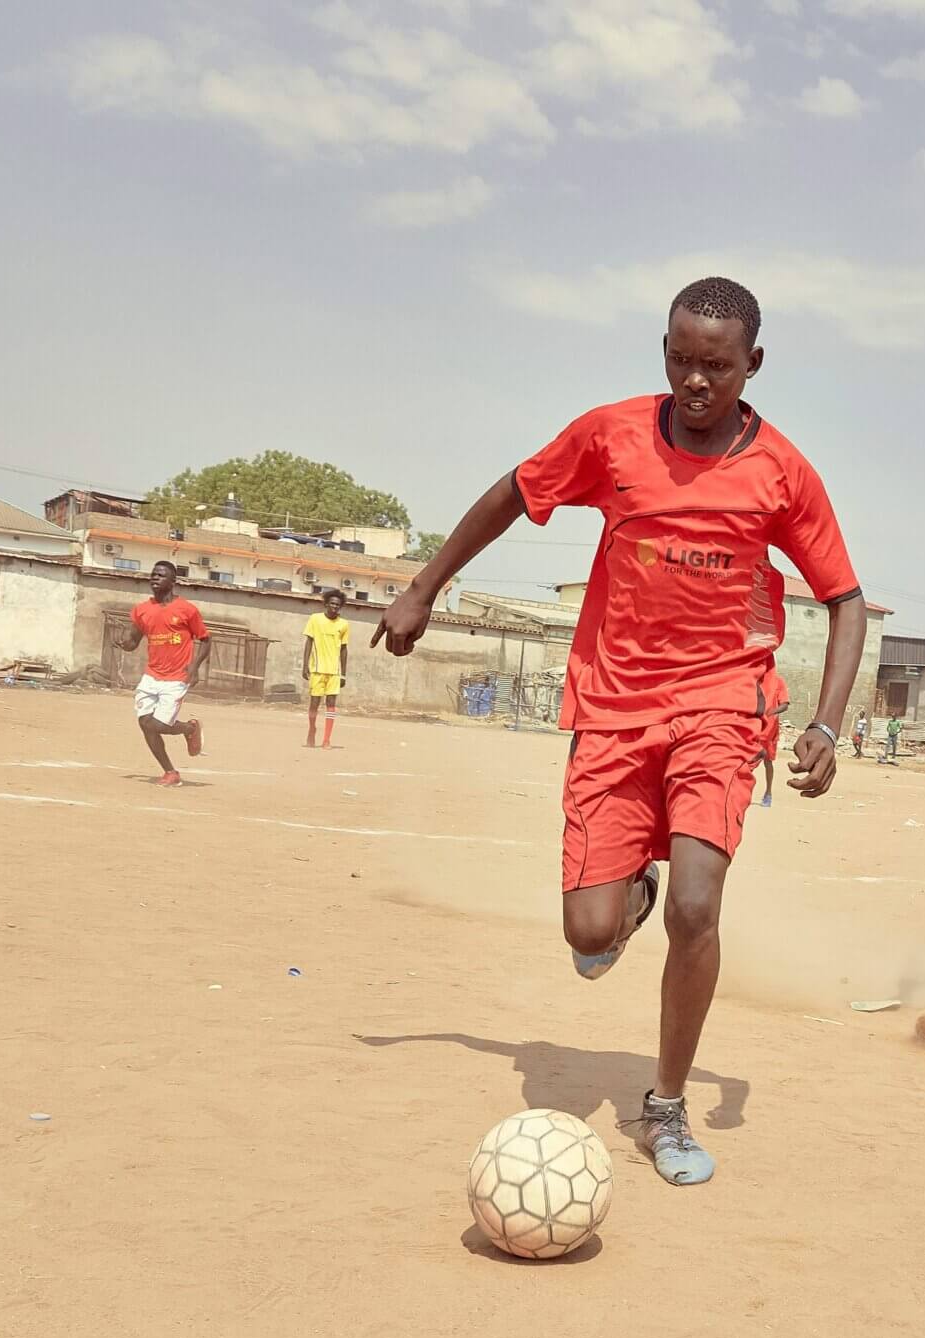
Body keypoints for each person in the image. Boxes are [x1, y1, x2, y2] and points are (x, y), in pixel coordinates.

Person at [371, 276, 867, 1186]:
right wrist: (423, 586)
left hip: (721, 705)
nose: (695, 382)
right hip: (612, 707)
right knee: (589, 939)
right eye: (679, 360)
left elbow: (845, 600)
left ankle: (666, 1104)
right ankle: (623, 899)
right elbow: (514, 493)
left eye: (716, 366)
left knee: (698, 905)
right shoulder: (610, 436)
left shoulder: (783, 472)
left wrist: (828, 723)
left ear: (752, 366)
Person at [117, 561, 208, 785]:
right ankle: (170, 772)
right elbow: (133, 642)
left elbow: (205, 640)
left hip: (177, 677)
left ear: (173, 581)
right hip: (151, 675)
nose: (155, 578)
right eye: (153, 574)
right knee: (144, 722)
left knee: (161, 725)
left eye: (161, 575)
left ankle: (189, 728)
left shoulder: (187, 609)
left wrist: (194, 667)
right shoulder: (141, 611)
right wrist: (125, 643)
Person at [302, 589, 351, 749]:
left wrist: (343, 674)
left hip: (334, 672)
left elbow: (344, 650)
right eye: (332, 604)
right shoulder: (315, 619)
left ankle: (326, 739)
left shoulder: (344, 624)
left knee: (331, 703)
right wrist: (305, 665)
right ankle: (311, 730)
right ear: (326, 604)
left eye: (337, 605)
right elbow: (309, 642)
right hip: (317, 669)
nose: (334, 607)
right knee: (314, 703)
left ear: (340, 607)